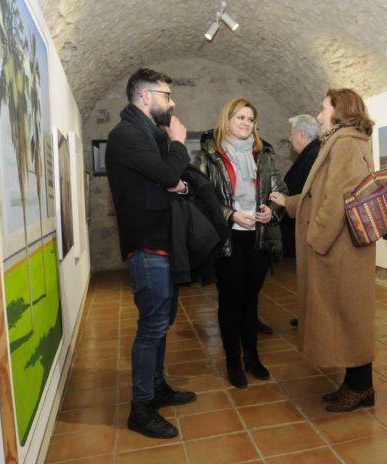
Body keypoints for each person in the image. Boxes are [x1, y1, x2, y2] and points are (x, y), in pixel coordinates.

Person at [270, 89, 376, 412]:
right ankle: (356, 384)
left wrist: (315, 240)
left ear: (339, 110)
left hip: (338, 248)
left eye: (323, 108)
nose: (319, 115)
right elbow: (319, 194)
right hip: (339, 246)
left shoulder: (344, 143)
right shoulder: (345, 141)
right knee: (346, 315)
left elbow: (335, 201)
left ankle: (360, 388)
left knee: (349, 317)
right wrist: (289, 203)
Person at [106, 68, 196, 439]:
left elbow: (171, 178)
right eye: (167, 95)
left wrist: (171, 177)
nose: (172, 103)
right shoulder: (127, 135)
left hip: (160, 243)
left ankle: (156, 387)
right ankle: (140, 407)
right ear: (145, 96)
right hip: (146, 246)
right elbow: (167, 172)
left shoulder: (143, 134)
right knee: (152, 326)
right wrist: (177, 142)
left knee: (162, 322)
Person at [192, 98, 287, 389]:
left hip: (259, 237)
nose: (246, 123)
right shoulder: (208, 155)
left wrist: (274, 210)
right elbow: (200, 198)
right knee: (231, 302)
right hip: (227, 238)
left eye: (250, 119)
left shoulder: (265, 154)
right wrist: (231, 214)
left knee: (251, 300)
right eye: (240, 117)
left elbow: (279, 190)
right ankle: (232, 361)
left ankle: (252, 358)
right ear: (227, 120)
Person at [282, 115, 320, 328]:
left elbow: (313, 194)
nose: (290, 139)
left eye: (291, 134)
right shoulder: (311, 153)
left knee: (313, 278)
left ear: (302, 134)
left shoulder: (314, 155)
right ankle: (309, 316)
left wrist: (286, 201)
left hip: (309, 224)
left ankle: (313, 318)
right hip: (303, 222)